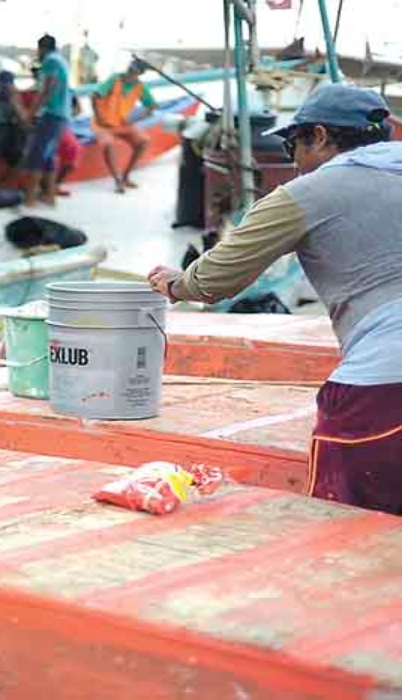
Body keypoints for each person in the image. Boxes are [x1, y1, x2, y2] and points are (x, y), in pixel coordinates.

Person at [147, 83, 402, 515]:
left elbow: (214, 280)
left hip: (382, 386)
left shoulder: (309, 192)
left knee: (348, 526)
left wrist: (176, 283)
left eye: (291, 145)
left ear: (319, 136)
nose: (294, 161)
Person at [19, 34, 72, 208]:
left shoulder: (50, 61)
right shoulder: (61, 60)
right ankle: (50, 197)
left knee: (37, 155)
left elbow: (48, 88)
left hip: (51, 115)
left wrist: (30, 114)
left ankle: (30, 201)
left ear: (41, 48)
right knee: (48, 157)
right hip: (61, 115)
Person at [92, 59, 158, 193]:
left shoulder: (140, 86)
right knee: (108, 144)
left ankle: (126, 176)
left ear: (139, 74)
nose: (130, 73)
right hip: (103, 124)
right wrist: (99, 118)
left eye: (133, 71)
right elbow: (94, 96)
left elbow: (152, 106)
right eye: (129, 69)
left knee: (143, 141)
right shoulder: (114, 79)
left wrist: (136, 118)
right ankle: (118, 181)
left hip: (123, 123)